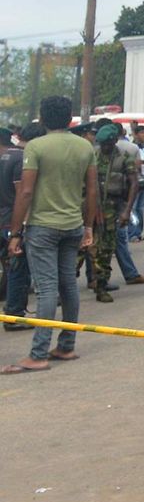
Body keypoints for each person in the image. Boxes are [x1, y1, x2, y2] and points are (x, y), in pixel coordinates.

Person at [4, 96, 98, 374]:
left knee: (46, 289)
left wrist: (15, 231)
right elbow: (92, 190)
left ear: (42, 119)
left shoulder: (36, 146)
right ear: (70, 120)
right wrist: (89, 226)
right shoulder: (84, 146)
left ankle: (39, 353)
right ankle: (66, 345)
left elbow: (27, 191)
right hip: (73, 226)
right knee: (68, 285)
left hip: (43, 226)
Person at [88, 123, 142, 302]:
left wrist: (127, 211)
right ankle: (64, 289)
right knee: (79, 249)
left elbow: (134, 183)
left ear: (114, 142)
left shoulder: (124, 158)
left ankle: (101, 286)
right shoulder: (92, 156)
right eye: (101, 144)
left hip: (112, 208)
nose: (104, 148)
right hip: (88, 207)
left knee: (106, 249)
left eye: (107, 144)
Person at [1, 127, 34, 331]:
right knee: (17, 267)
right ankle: (14, 314)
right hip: (10, 221)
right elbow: (21, 193)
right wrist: (19, 228)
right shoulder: (18, 158)